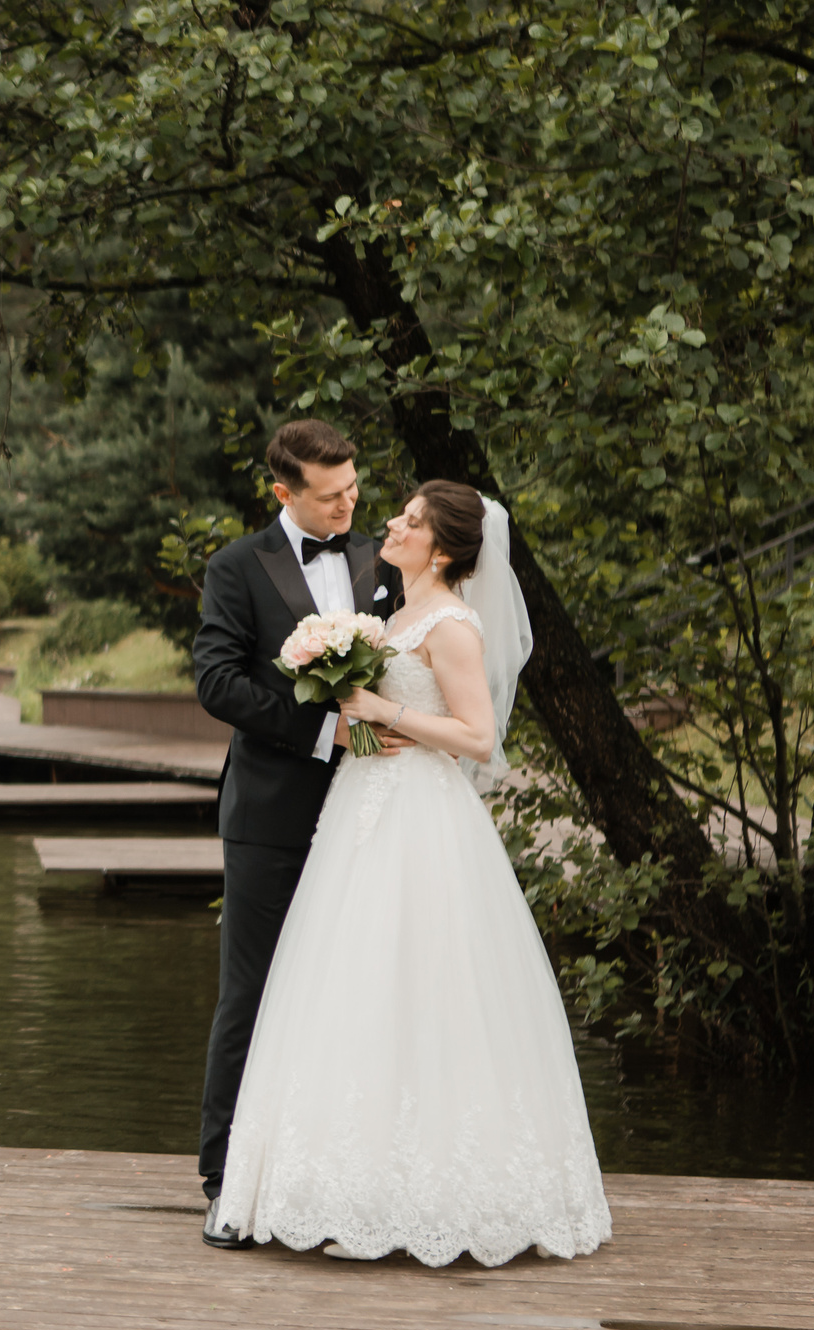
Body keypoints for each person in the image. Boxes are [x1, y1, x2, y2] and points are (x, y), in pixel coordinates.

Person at [209, 480, 611, 1265]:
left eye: (413, 520)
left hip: (424, 823)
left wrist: (379, 710)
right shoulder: (392, 616)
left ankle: (445, 1187)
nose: (392, 521)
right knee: (348, 988)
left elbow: (475, 735)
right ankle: (343, 1182)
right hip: (363, 809)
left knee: (427, 991)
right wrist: (359, 730)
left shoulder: (454, 624)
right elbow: (381, 732)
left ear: (447, 548)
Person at [190, 420, 402, 1248]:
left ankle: (340, 1174)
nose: (351, 503)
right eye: (331, 493)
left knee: (359, 992)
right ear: (284, 492)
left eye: (354, 486)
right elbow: (218, 681)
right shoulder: (237, 567)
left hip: (375, 808)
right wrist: (323, 735)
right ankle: (224, 1179)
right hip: (272, 813)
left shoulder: (379, 555)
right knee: (251, 992)